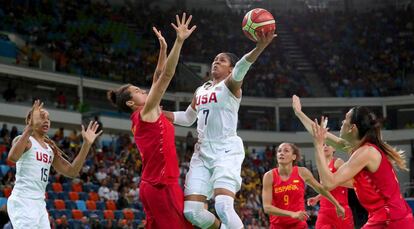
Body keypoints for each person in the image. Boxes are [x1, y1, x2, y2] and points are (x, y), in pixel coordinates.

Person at [162, 28, 275, 228]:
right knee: (192, 212)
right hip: (202, 152)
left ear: (231, 70)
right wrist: (162, 114)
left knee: (223, 206)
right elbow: (188, 118)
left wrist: (259, 47)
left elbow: (242, 66)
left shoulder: (231, 85)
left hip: (226, 149)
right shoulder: (201, 89)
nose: (216, 61)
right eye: (215, 59)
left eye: (222, 60)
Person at [106, 13, 195, 229]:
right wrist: (179, 41)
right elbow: (165, 77)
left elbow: (157, 76)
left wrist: (163, 50)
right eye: (137, 91)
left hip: (160, 184)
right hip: (160, 186)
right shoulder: (146, 113)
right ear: (130, 103)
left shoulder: (144, 113)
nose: (143, 90)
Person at [292, 95, 414, 228]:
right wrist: (299, 113)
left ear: (352, 128)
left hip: (391, 220)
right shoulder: (360, 148)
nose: (342, 122)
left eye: (345, 119)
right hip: (389, 217)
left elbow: (328, 183)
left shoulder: (365, 152)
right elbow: (322, 134)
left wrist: (317, 146)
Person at [7, 100, 102, 229]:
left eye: (48, 118)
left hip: (39, 204)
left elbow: (72, 171)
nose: (46, 121)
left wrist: (86, 145)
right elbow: (12, 157)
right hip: (23, 200)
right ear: (31, 120)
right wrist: (29, 128)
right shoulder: (24, 140)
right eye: (41, 117)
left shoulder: (50, 149)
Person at [262, 142, 345, 229]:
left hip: (298, 225)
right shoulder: (269, 176)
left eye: (286, 151)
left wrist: (337, 205)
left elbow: (321, 189)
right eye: (279, 151)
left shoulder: (302, 172)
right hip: (277, 226)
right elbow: (267, 208)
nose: (281, 153)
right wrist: (292, 214)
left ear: (293, 157)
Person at [306, 144, 354, 229]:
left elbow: (352, 183)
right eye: (323, 145)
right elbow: (326, 188)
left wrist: (333, 181)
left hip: (340, 208)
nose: (325, 147)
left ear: (334, 149)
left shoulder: (338, 162)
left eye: (328, 145)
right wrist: (317, 198)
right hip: (324, 209)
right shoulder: (322, 167)